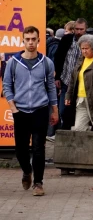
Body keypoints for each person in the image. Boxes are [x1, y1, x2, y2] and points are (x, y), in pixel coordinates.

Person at [2, 26, 58, 197]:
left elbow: (50, 87)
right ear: (23, 40)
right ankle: (27, 171)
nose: (31, 42)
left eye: (34, 39)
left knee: (39, 148)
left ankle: (38, 183)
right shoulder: (13, 62)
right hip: (21, 111)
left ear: (39, 40)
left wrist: (55, 110)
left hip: (40, 109)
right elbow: (7, 85)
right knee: (20, 150)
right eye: (28, 39)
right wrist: (13, 107)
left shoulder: (46, 62)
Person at [53, 18, 88, 130]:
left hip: (82, 82)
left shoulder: (89, 41)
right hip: (66, 79)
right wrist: (57, 77)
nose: (78, 31)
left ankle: (70, 129)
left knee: (77, 109)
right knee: (63, 110)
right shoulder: (67, 39)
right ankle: (66, 128)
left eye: (81, 29)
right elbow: (58, 57)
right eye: (76, 29)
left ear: (85, 29)